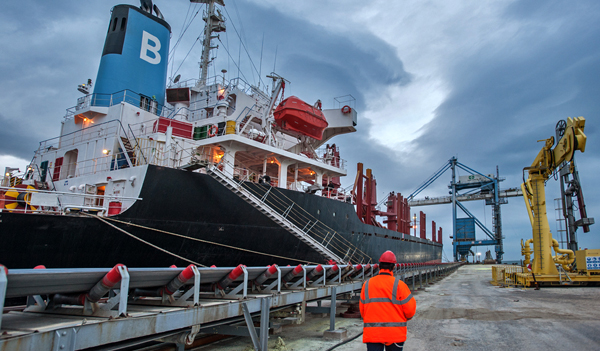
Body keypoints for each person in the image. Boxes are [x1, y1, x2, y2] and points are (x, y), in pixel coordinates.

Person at [360, 251, 416, 351]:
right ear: (393, 267)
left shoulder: (367, 284)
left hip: (374, 334)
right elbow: (410, 310)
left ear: (379, 266)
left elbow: (363, 310)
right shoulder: (400, 285)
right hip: (395, 334)